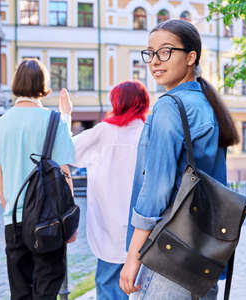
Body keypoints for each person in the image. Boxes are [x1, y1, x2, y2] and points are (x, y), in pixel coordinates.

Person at [119, 19, 240, 299]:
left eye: (166, 51)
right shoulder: (206, 104)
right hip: (204, 254)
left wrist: (133, 257)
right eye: (150, 52)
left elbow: (156, 192)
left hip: (167, 254)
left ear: (191, 57)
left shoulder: (169, 107)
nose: (155, 61)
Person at [0, 58, 77, 300]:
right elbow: (64, 174)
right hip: (47, 221)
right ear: (43, 84)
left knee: (19, 293)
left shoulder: (0, 124)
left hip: (14, 221)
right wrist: (69, 222)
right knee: (47, 290)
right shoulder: (54, 122)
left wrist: (11, 212)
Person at [59, 80, 150, 300]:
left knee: (109, 288)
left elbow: (64, 149)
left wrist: (65, 116)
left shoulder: (104, 133)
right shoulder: (149, 134)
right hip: (143, 229)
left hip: (108, 227)